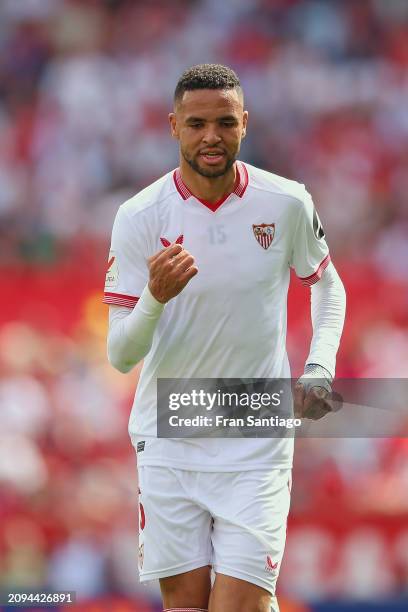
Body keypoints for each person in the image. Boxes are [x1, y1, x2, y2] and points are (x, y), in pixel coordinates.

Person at [104, 64, 346, 612]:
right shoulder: (140, 215)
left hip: (254, 430)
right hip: (170, 431)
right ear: (172, 127)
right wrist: (154, 298)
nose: (210, 136)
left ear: (245, 124)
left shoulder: (285, 202)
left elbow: (328, 288)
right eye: (196, 124)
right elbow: (120, 355)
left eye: (224, 122)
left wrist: (319, 367)